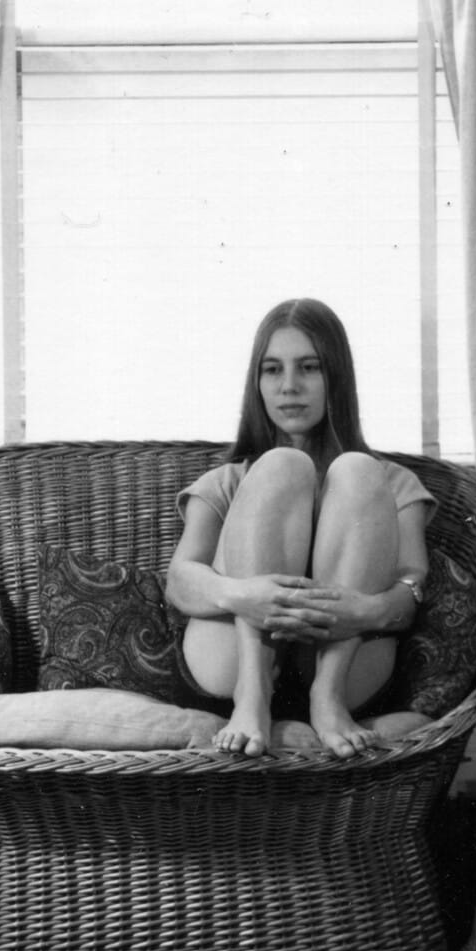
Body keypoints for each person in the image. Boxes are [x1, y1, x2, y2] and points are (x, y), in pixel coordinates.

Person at [167, 299, 431, 758]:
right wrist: (243, 596)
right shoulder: (226, 480)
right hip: (231, 663)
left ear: (336, 377)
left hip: (343, 668)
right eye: (272, 370)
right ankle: (253, 695)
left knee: (357, 470)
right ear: (257, 384)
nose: (289, 386)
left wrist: (365, 611)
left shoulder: (389, 482)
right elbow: (179, 580)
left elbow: (411, 590)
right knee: (282, 465)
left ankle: (326, 699)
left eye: (309, 367)